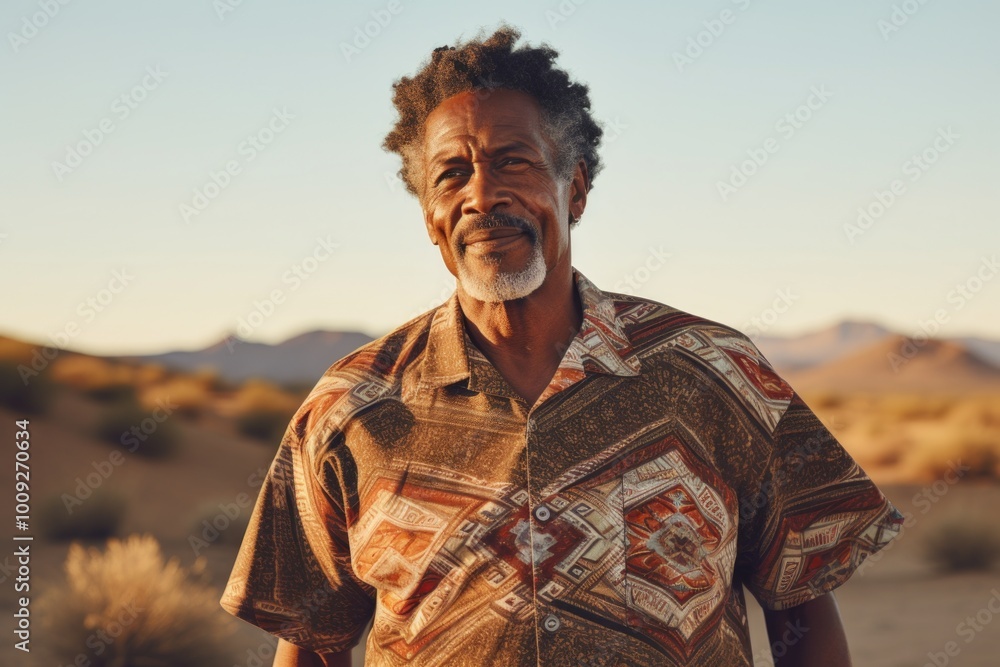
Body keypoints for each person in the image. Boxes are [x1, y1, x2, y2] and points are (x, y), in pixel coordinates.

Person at [220, 25, 903, 667]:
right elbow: (311, 641)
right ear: (429, 216)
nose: (481, 195)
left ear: (573, 189)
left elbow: (802, 607)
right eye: (451, 175)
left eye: (512, 162)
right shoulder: (352, 407)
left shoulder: (715, 372)